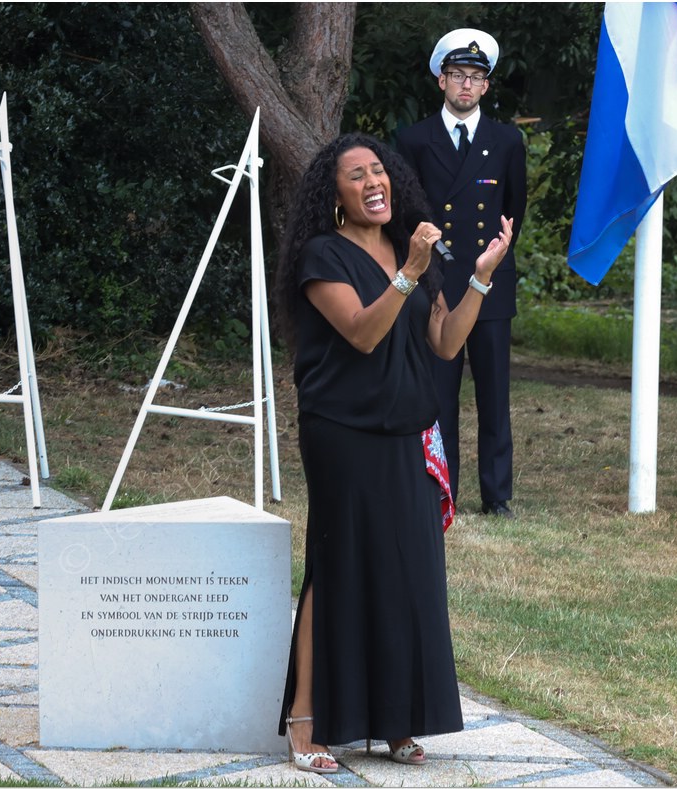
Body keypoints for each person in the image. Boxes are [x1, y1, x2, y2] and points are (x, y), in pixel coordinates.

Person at [272, 132, 513, 773]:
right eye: (357, 175)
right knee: (339, 566)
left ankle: (397, 718)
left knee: (407, 573)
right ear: (335, 194)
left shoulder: (411, 251)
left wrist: (480, 280)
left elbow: (442, 341)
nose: (373, 182)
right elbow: (361, 332)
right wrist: (408, 270)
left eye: (379, 171)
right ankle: (305, 720)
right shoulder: (322, 256)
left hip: (407, 431)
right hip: (343, 434)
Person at [397, 28, 527, 518]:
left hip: (488, 281)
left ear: (487, 87)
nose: (466, 86)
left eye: (475, 78)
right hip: (438, 282)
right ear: (441, 81)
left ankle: (498, 496)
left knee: (494, 394)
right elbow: (407, 209)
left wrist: (490, 261)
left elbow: (514, 209)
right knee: (439, 391)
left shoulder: (507, 140)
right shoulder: (413, 139)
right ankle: (439, 487)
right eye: (457, 76)